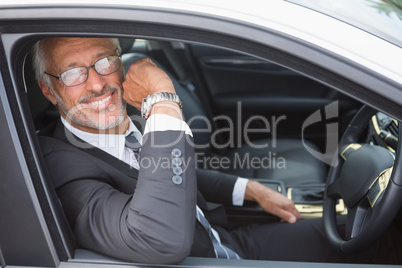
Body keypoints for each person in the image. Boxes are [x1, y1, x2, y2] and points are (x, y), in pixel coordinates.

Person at [32, 37, 402, 265]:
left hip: (224, 240)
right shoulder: (63, 169)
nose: (96, 82)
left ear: (119, 62)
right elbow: (158, 237)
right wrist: (162, 97)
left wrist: (249, 189)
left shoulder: (125, 119)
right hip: (202, 260)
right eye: (73, 73)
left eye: (103, 62)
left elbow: (172, 169)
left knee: (349, 239)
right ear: (49, 91)